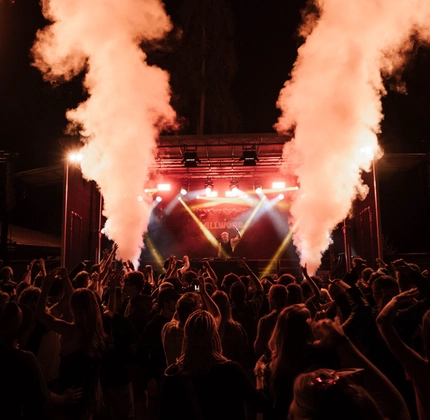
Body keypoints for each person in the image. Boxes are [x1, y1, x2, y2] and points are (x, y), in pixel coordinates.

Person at [159, 309, 271, 420]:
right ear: (214, 337)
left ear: (186, 338)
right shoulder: (231, 371)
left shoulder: (172, 375)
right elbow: (261, 404)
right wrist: (259, 374)